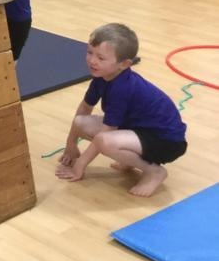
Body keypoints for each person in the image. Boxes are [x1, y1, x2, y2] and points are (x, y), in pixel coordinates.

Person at [55, 23, 187, 197]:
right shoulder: (101, 76)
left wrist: (79, 166)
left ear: (124, 64)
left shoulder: (122, 88)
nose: (92, 61)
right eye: (89, 52)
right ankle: (131, 160)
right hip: (138, 128)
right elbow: (85, 108)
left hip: (165, 141)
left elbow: (104, 136)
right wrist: (71, 145)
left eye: (101, 58)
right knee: (80, 122)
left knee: (105, 141)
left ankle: (153, 171)